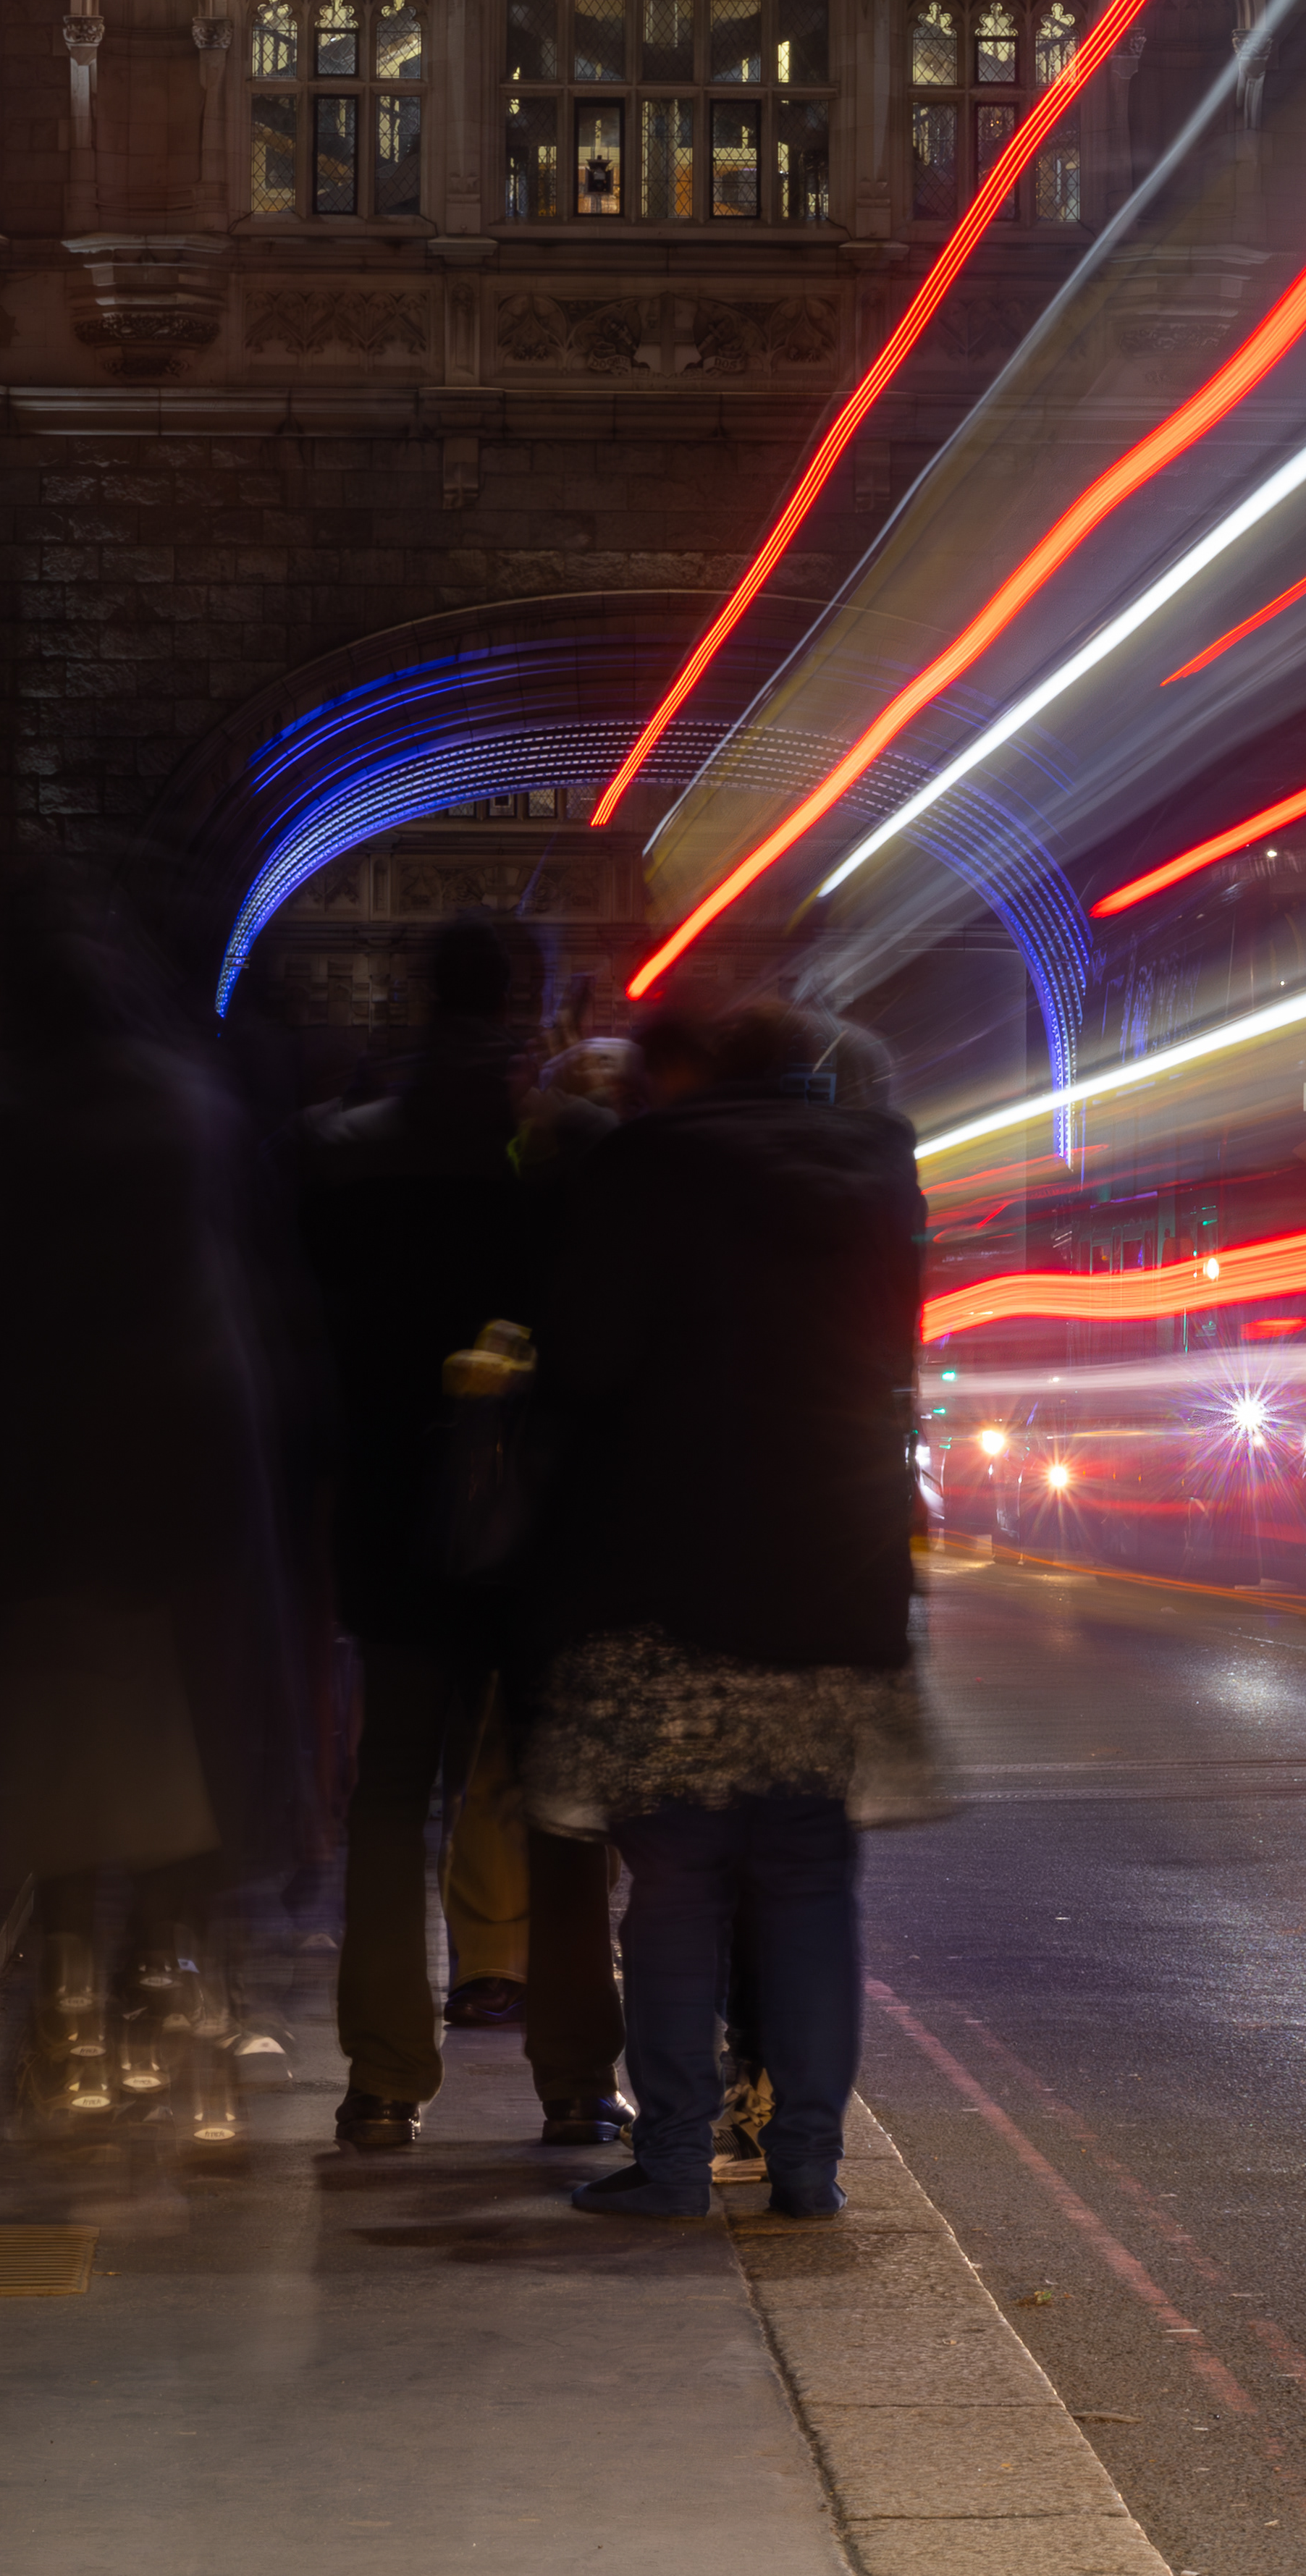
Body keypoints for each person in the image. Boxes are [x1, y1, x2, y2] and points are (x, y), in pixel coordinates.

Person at [526, 995, 924, 2222]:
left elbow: (583, 1365)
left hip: (670, 1579)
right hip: (836, 1569)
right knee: (810, 1877)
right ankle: (808, 2164)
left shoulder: (647, 1163)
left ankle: (676, 2160)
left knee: (680, 1881)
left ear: (681, 1076)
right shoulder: (878, 1171)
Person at [0, 866, 310, 2134]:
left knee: (67, 1761)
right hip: (201, 1492)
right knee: (189, 1755)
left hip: (64, 1502)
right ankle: (165, 1995)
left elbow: (4, 1322)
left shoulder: (27, 1126)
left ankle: (65, 2022)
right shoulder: (192, 1106)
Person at [300, 918, 622, 2153]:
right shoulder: (578, 1151)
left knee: (390, 1799)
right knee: (558, 1800)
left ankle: (382, 2079)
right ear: (531, 1003)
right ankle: (577, 2079)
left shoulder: (343, 1153)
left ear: (414, 998)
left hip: (395, 1517)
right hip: (544, 1525)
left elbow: (314, 1351)